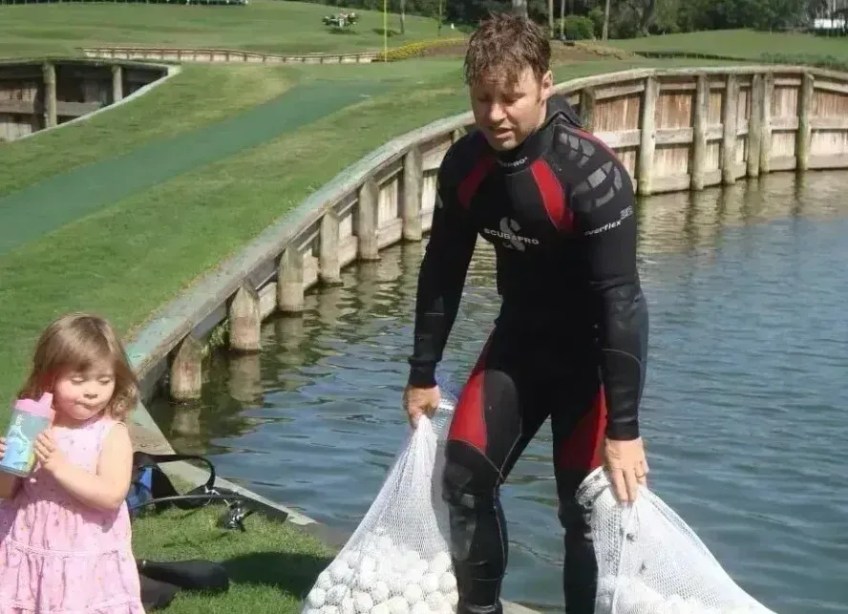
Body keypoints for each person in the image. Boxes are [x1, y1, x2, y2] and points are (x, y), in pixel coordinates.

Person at [402, 12, 650, 614]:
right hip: (519, 342)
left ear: (546, 84)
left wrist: (625, 429)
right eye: (482, 98)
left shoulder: (591, 174)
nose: (494, 115)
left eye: (510, 97)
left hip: (589, 357)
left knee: (585, 512)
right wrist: (422, 370)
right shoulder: (466, 167)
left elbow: (622, 300)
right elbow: (442, 269)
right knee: (462, 480)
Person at [0, 313, 145, 613]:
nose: (92, 390)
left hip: (83, 558)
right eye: (78, 381)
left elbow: (111, 496)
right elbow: (6, 492)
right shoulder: (33, 423)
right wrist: (4, 466)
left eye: (104, 380)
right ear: (48, 378)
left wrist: (60, 467)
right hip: (28, 547)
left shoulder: (110, 434)